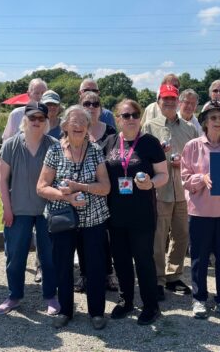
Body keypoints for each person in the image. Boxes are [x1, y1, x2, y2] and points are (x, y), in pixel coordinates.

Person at [37, 105, 112, 330]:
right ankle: (66, 310)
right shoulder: (54, 151)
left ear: (89, 126)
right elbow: (41, 187)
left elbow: (106, 187)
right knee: (63, 267)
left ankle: (97, 312)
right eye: (74, 121)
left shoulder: (96, 150)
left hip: (93, 220)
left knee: (95, 267)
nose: (78, 125)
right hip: (63, 220)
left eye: (83, 122)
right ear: (65, 126)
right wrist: (66, 196)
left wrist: (80, 187)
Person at [103, 99, 168, 325]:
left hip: (142, 214)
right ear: (118, 118)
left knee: (143, 260)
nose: (131, 119)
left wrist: (151, 183)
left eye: (134, 115)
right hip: (115, 214)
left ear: (140, 118)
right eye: (125, 115)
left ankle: (151, 306)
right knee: (120, 260)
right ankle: (126, 300)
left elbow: (163, 175)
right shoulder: (109, 142)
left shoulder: (149, 143)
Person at [0, 102, 59, 315]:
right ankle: (14, 296)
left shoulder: (54, 145)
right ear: (25, 120)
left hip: (47, 210)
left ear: (47, 121)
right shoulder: (11, 145)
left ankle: (50, 295)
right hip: (18, 208)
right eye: (33, 118)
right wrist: (7, 208)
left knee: (49, 256)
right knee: (15, 256)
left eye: (41, 118)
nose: (37, 122)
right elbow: (2, 179)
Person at [181, 101, 220, 320]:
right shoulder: (192, 146)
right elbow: (184, 179)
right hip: (201, 211)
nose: (217, 122)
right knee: (199, 258)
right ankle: (199, 298)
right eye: (213, 118)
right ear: (205, 121)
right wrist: (202, 178)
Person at [142, 83, 198, 300]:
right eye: (165, 98)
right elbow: (143, 159)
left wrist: (182, 163)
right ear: (158, 101)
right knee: (159, 237)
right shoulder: (149, 126)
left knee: (182, 234)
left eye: (173, 98)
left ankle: (174, 276)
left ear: (178, 102)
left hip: (184, 190)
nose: (169, 102)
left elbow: (195, 159)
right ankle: (158, 278)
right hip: (160, 190)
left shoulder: (189, 128)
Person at [74, 90, 118, 292]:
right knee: (82, 236)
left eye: (95, 103)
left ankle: (108, 273)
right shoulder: (77, 130)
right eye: (87, 103)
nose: (91, 107)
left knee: (107, 237)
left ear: (101, 108)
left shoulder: (110, 132)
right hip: (82, 193)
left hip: (106, 192)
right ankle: (84, 274)